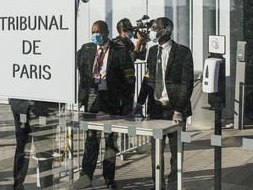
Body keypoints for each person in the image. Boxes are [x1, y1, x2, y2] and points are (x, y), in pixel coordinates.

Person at [72, 20, 135, 189]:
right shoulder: (86, 49)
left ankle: (109, 178)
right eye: (93, 32)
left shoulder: (120, 52)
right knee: (91, 140)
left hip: (111, 100)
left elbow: (130, 79)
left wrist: (127, 104)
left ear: (106, 32)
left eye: (98, 32)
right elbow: (81, 68)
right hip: (92, 99)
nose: (95, 35)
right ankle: (85, 177)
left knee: (110, 141)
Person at [134, 17, 193, 190]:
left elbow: (186, 83)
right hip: (156, 109)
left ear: (166, 30)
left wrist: (179, 110)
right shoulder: (152, 51)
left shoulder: (183, 52)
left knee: (176, 152)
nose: (151, 30)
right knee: (156, 152)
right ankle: (157, 185)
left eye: (154, 27)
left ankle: (174, 185)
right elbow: (148, 79)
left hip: (175, 110)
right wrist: (139, 103)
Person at [10, 98, 58, 189]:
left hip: (26, 105)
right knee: (40, 151)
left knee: (25, 149)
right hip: (35, 106)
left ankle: (19, 186)